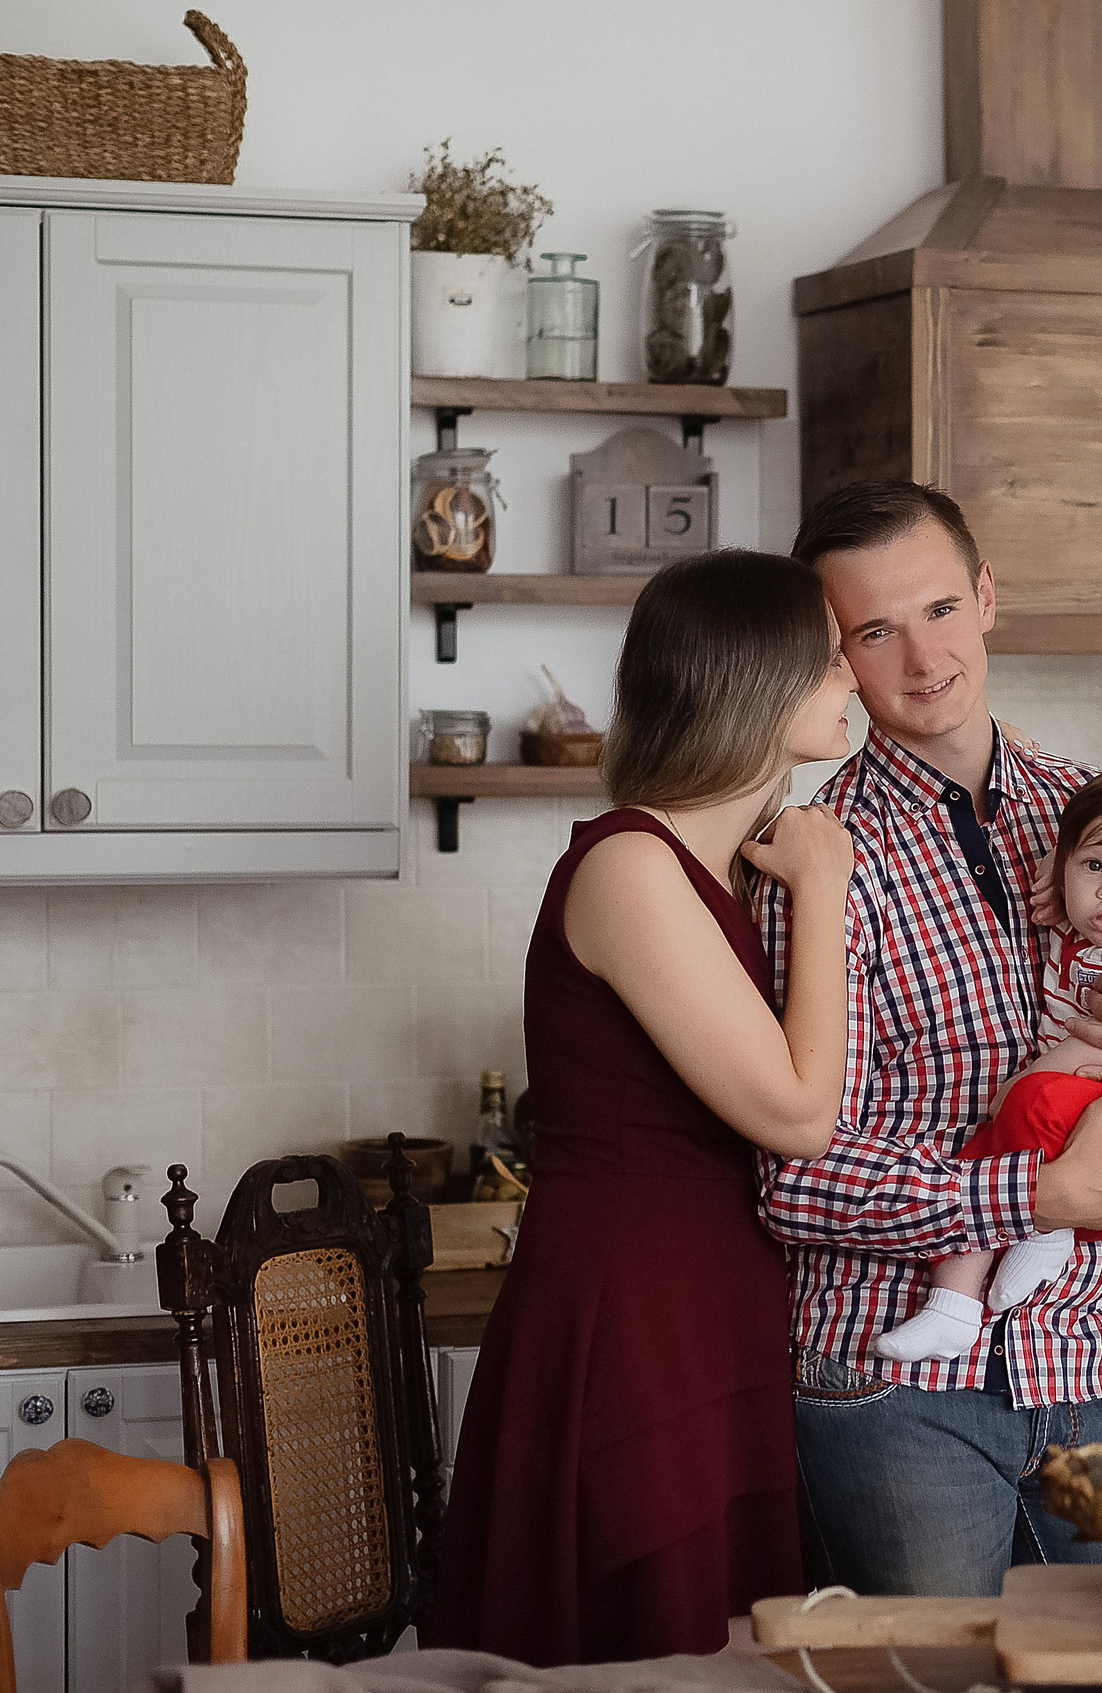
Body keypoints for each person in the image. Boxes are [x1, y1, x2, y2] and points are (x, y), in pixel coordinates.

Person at [757, 481, 1102, 1597]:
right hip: (889, 1382)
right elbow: (793, 1182)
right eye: (874, 629)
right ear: (837, 654)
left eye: (941, 607)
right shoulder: (820, 860)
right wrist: (1037, 1201)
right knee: (933, 1685)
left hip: (1087, 1365)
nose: (923, 655)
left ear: (988, 596)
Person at [430, 551, 859, 1663]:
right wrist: (825, 890)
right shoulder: (630, 864)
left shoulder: (708, 872)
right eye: (826, 655)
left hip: (705, 1298)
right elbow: (800, 1110)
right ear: (755, 681)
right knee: (642, 1647)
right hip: (631, 1311)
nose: (850, 673)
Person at [874, 765, 1102, 1363]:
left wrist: (1030, 1077)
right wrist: (1062, 876)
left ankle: (1050, 1227)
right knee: (985, 1152)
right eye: (1095, 868)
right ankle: (953, 1304)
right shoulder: (1089, 929)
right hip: (1093, 1090)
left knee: (1026, 1106)